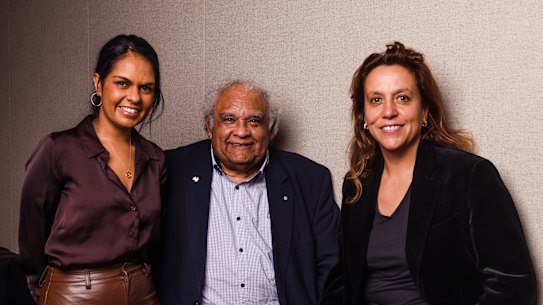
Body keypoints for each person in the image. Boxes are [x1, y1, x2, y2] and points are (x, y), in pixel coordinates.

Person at [322, 42, 537, 305]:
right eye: (376, 100)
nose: (388, 111)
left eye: (402, 98)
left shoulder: (469, 175)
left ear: (423, 111)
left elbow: (513, 284)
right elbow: (343, 280)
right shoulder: (357, 183)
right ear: (364, 117)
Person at [155, 79, 340, 305]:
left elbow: (332, 267)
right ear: (209, 127)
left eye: (254, 121)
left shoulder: (310, 179)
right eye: (229, 120)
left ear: (270, 130)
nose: (241, 132)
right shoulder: (171, 169)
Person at [18, 34, 166, 305]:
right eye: (122, 83)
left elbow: (157, 242)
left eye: (146, 88)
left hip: (143, 293)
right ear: (98, 83)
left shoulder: (155, 158)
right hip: (73, 296)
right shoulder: (58, 149)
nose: (134, 97)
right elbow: (31, 237)